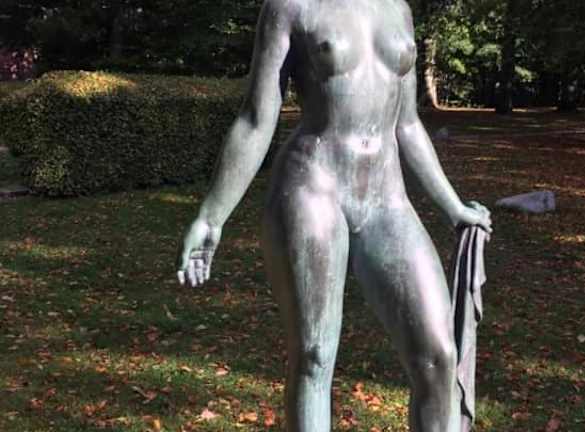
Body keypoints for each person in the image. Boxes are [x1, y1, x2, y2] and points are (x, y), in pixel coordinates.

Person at [176, 0, 492, 430]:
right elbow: (256, 119)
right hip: (313, 187)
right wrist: (211, 216)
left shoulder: (398, 9)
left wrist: (453, 206)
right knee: (314, 355)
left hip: (387, 199)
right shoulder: (291, 7)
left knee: (439, 356)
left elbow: (408, 125)